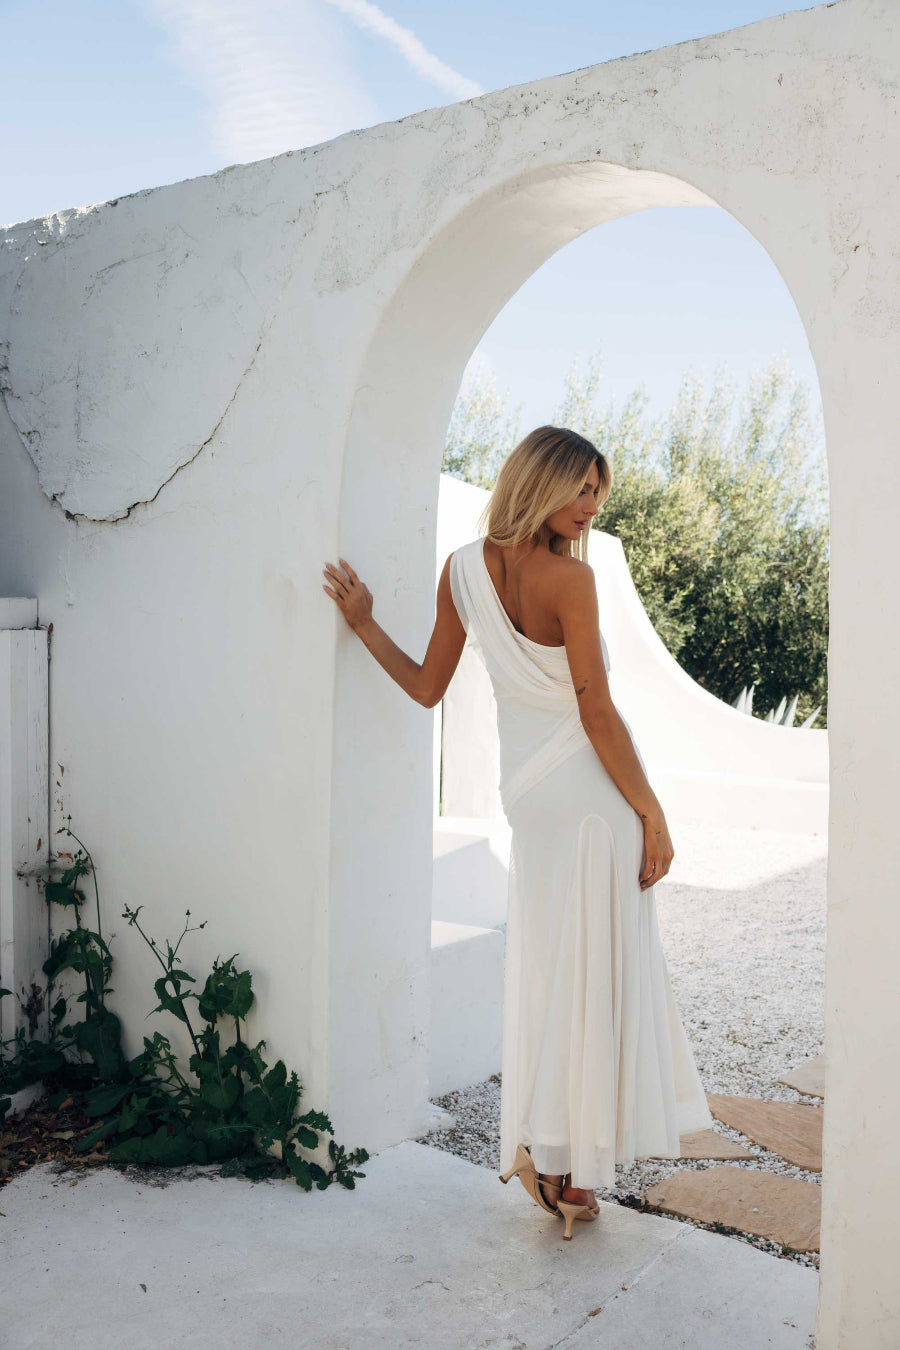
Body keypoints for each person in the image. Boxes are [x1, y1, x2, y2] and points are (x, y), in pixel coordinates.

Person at [322, 424, 712, 1242]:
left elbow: (429, 687)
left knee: (550, 966)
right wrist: (651, 811)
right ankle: (555, 1158)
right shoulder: (572, 580)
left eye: (599, 492)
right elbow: (596, 712)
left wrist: (364, 623)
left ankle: (550, 1157)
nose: (591, 506)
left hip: (528, 794)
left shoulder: (461, 570)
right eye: (581, 488)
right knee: (592, 968)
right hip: (588, 794)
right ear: (540, 482)